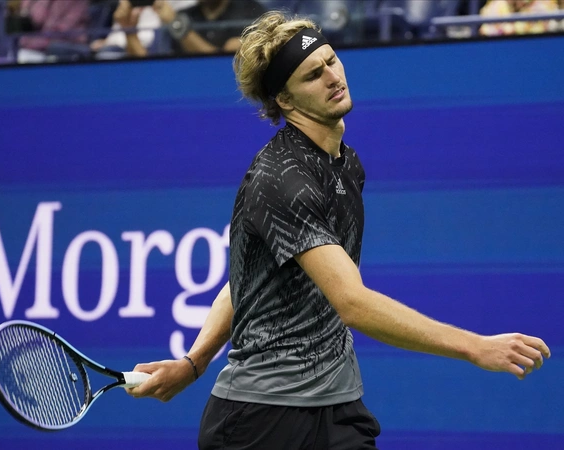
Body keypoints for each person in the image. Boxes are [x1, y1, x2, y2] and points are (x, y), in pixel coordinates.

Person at [125, 11, 551, 450]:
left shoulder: (346, 164)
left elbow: (243, 282)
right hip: (261, 419)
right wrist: (474, 347)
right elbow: (353, 303)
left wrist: (192, 363)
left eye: (331, 61)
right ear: (285, 100)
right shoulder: (283, 178)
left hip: (337, 406)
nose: (332, 77)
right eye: (313, 75)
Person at [116, 0, 266, 57]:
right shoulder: (184, 15)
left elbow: (223, 64)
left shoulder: (250, 11)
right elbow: (152, 68)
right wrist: (129, 30)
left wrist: (176, 24)